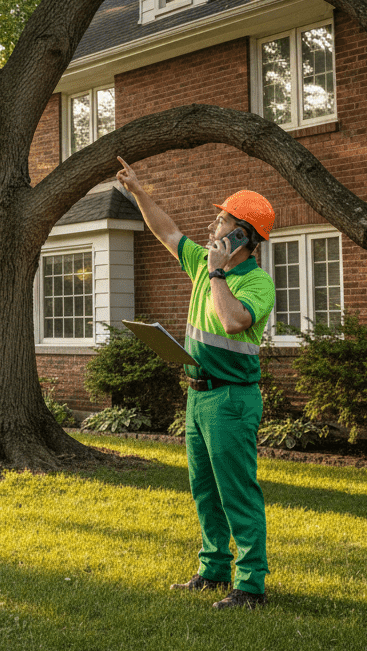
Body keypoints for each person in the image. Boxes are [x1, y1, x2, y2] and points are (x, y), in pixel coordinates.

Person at [115, 156, 276, 610]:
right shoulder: (203, 264)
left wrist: (219, 272)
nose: (212, 225)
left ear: (241, 236)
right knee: (205, 490)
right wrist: (138, 191)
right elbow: (167, 232)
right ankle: (213, 569)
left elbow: (232, 322)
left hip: (232, 400)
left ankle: (251, 585)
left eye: (222, 220)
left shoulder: (257, 283)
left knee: (237, 492)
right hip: (198, 397)